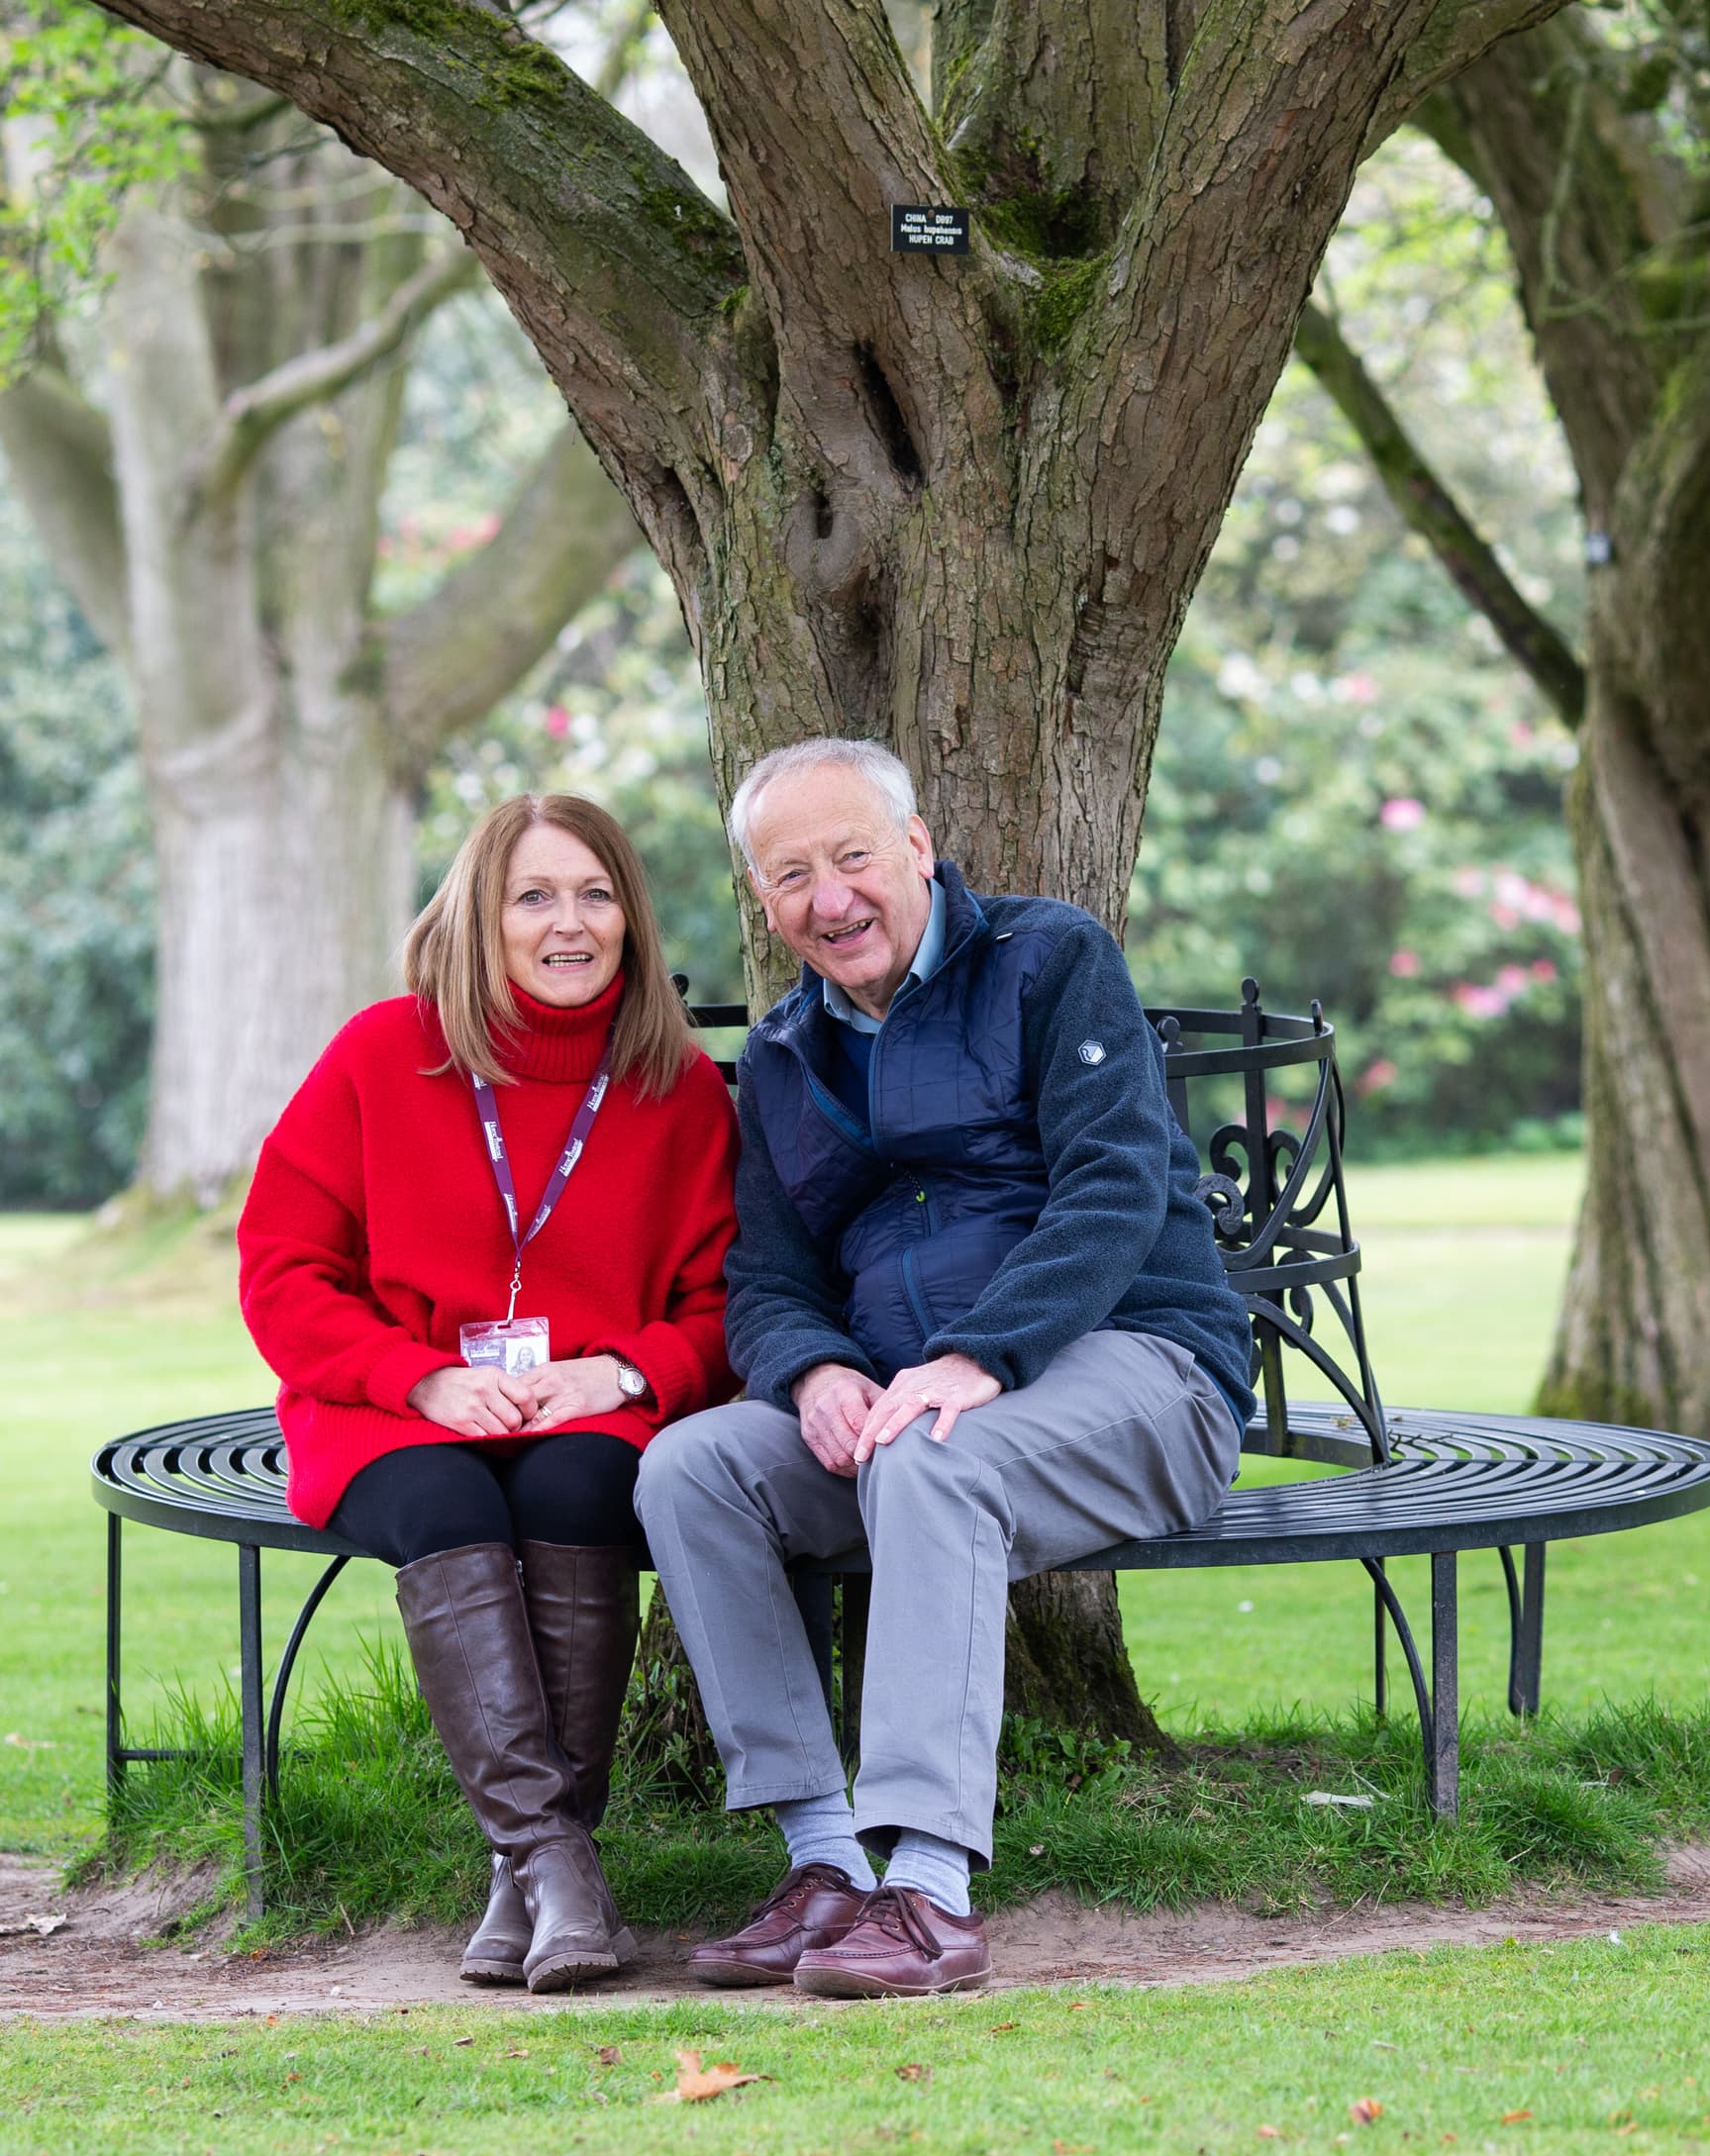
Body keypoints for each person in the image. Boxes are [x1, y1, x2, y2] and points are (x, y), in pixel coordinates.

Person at [638, 738, 1252, 1999]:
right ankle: (824, 1868)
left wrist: (979, 1354)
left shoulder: (1049, 961)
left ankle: (928, 1889)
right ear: (765, 898)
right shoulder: (785, 1056)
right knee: (695, 1468)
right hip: (910, 1405)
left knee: (930, 1457)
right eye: (793, 874)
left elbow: (1114, 1184)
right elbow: (768, 1278)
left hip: (1134, 1367)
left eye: (854, 856)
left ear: (916, 847)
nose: (831, 898)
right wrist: (811, 1374)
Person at [236, 794, 737, 1993]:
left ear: (632, 918)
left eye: (595, 894)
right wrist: (420, 1376)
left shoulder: (675, 1087)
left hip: (591, 1404)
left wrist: (616, 1371)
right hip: (391, 1401)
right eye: (535, 896)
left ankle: (531, 1888)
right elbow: (281, 1272)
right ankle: (559, 1863)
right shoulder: (379, 1053)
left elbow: (730, 1309)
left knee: (580, 1480)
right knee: (446, 1500)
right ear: (479, 916)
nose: (570, 923)